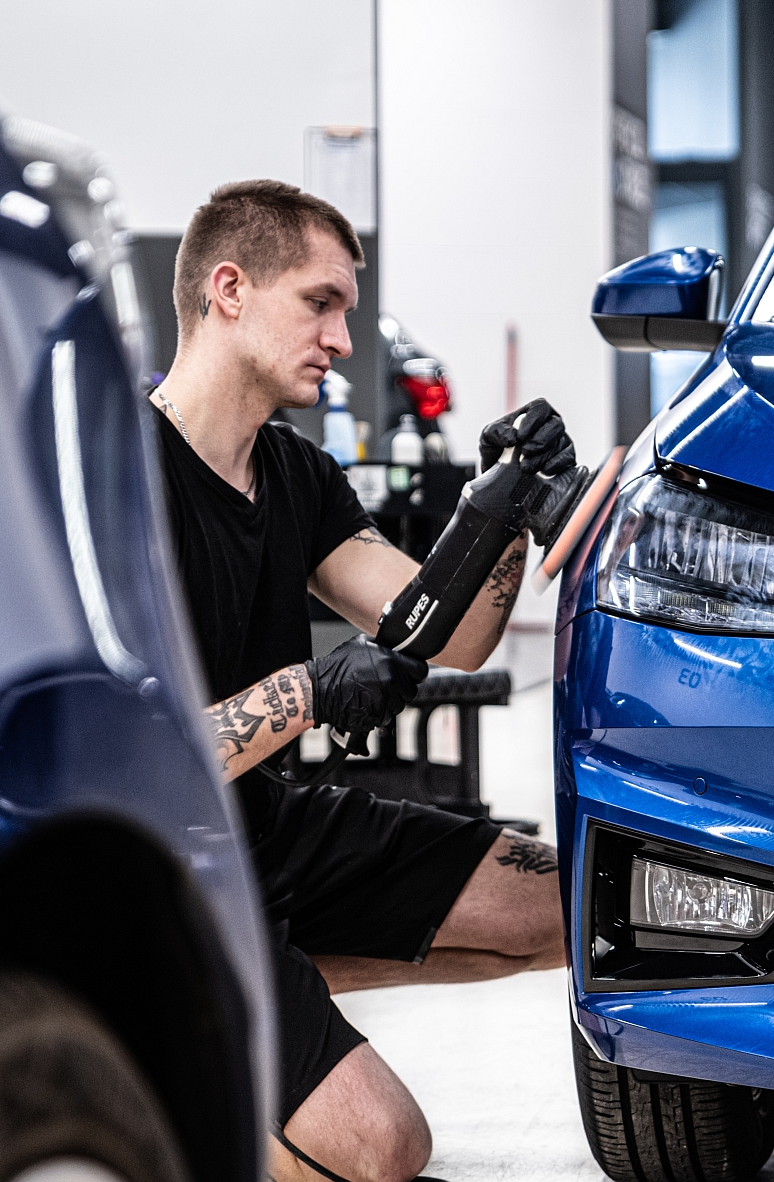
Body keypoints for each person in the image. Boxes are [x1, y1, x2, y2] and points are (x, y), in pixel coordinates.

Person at [146, 179, 570, 1182]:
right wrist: (306, 692)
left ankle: (266, 988)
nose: (341, 338)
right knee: (383, 1148)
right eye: (320, 303)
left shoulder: (296, 474)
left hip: (264, 829)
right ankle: (159, 1067)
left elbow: (447, 637)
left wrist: (499, 511)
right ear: (229, 289)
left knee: (561, 900)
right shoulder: (122, 476)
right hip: (157, 873)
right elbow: (129, 766)